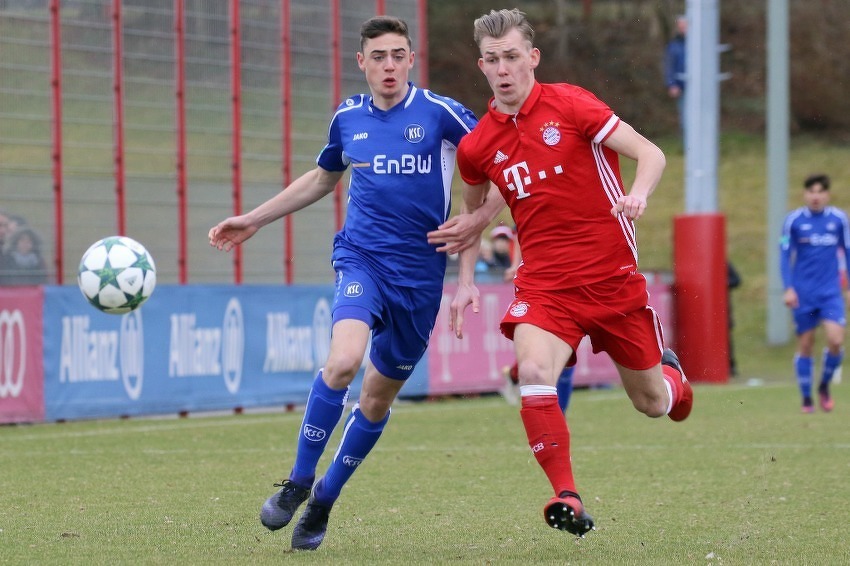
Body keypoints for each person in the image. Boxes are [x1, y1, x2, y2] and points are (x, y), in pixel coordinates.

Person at [208, 16, 481, 551]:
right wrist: (255, 219)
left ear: (410, 60)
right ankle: (298, 481)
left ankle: (324, 500)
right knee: (342, 361)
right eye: (378, 56)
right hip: (361, 260)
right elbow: (322, 178)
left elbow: (482, 189)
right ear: (362, 62)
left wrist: (466, 277)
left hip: (420, 280)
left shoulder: (444, 116)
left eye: (398, 55)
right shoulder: (347, 118)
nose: (388, 65)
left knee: (376, 401)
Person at [442, 8, 694, 538]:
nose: (503, 68)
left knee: (653, 404)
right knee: (534, 373)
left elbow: (651, 153)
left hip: (612, 282)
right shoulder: (477, 145)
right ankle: (567, 495)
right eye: (492, 60)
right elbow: (470, 221)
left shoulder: (572, 104)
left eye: (512, 56)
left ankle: (674, 382)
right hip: (546, 286)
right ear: (481, 66)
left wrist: (638, 195)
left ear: (532, 58)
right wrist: (465, 283)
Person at [780, 173, 849, 413]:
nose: (816, 196)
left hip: (830, 292)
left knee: (836, 340)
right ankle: (807, 397)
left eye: (820, 191)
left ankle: (824, 386)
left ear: (827, 194)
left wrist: (848, 287)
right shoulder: (793, 221)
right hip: (803, 293)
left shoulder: (839, 220)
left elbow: (847, 252)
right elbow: (784, 255)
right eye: (812, 191)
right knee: (806, 345)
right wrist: (788, 288)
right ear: (805, 194)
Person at [664, 14, 687, 139]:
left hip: (698, 88)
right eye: (681, 26)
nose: (683, 28)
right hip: (681, 87)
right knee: (685, 117)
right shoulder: (674, 45)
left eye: (685, 25)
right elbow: (669, 66)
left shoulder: (699, 44)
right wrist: (672, 84)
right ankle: (687, 146)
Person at [727, 261, 742, 376]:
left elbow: (736, 280)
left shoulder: (723, 264)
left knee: (727, 337)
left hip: (723, 309)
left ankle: (731, 365)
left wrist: (722, 283)